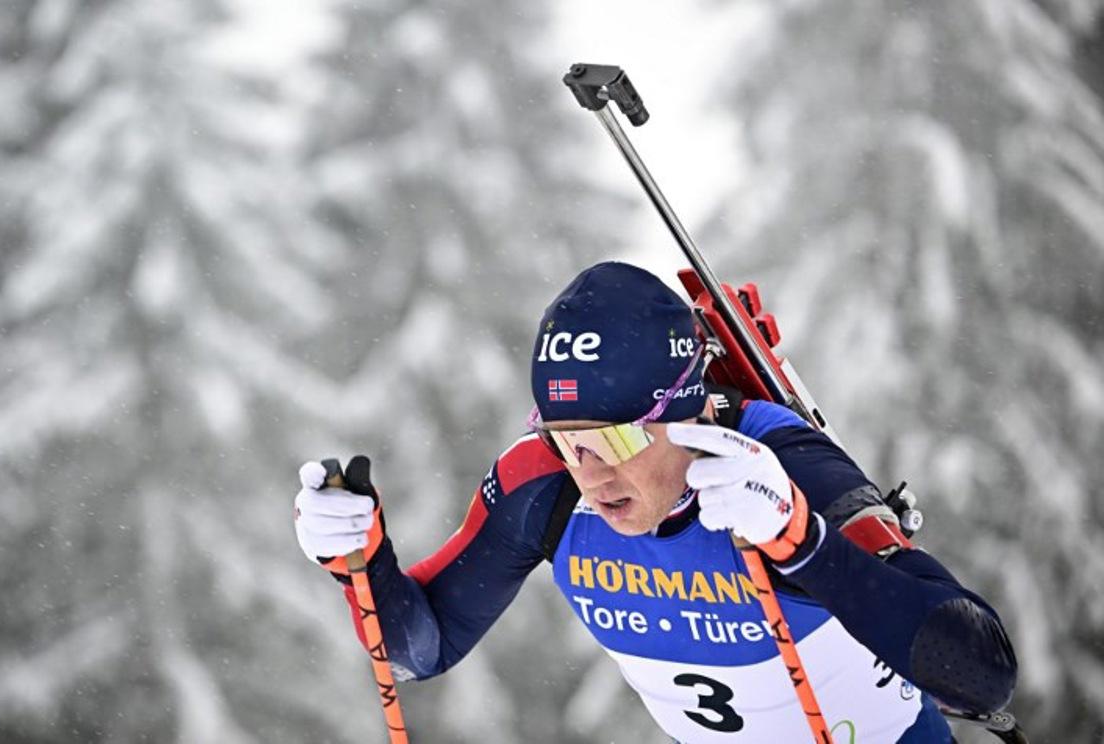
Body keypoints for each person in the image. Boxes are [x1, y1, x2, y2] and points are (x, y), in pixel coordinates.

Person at [293, 261, 1017, 743]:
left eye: (616, 439)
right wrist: (358, 559)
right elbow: (420, 649)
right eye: (564, 439)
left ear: (686, 408)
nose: (591, 473)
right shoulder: (543, 484)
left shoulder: (782, 466)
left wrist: (801, 540)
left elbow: (981, 676)